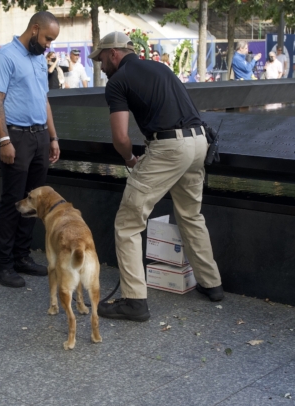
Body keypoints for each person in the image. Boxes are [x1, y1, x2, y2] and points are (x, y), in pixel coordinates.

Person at [88, 32, 224, 322]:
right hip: (199, 141)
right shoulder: (160, 67)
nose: (100, 66)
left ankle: (134, 300)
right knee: (191, 215)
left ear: (114, 54)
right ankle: (212, 284)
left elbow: (120, 136)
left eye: (101, 59)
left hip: (169, 148)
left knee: (128, 222)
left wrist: (130, 159)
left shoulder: (117, 82)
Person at [0, 11, 61, 288]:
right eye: (47, 39)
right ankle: (2, 265)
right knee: (12, 201)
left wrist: (53, 138)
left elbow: (44, 101)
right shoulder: (5, 56)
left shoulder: (39, 60)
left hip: (40, 137)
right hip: (16, 137)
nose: (48, 45)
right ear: (34, 29)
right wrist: (4, 140)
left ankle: (22, 257)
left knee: (35, 202)